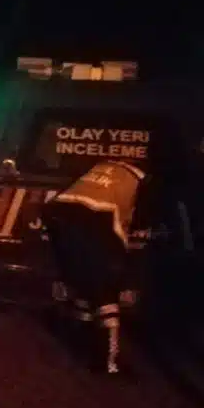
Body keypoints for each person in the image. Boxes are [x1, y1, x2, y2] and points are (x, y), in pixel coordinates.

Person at [42, 159, 152, 374]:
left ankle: (82, 342)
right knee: (106, 294)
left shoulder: (106, 167)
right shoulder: (141, 181)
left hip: (58, 212)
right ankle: (108, 363)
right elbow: (134, 229)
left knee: (84, 286)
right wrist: (127, 278)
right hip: (95, 220)